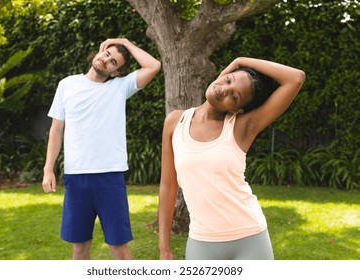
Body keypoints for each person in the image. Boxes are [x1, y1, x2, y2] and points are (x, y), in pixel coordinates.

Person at [158, 57, 305, 260]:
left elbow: (296, 78)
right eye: (228, 80)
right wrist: (164, 247)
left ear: (237, 109)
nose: (223, 90)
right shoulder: (175, 122)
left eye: (234, 96)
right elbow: (168, 186)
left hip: (250, 239)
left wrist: (241, 60)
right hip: (202, 242)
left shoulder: (242, 126)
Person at [42, 38, 161, 260]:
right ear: (99, 52)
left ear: (115, 72)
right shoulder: (67, 84)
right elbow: (56, 130)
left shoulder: (120, 87)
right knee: (79, 247)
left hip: (109, 178)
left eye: (113, 61)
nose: (106, 60)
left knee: (119, 248)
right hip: (76, 178)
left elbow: (154, 66)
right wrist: (49, 168)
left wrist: (123, 41)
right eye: (107, 54)